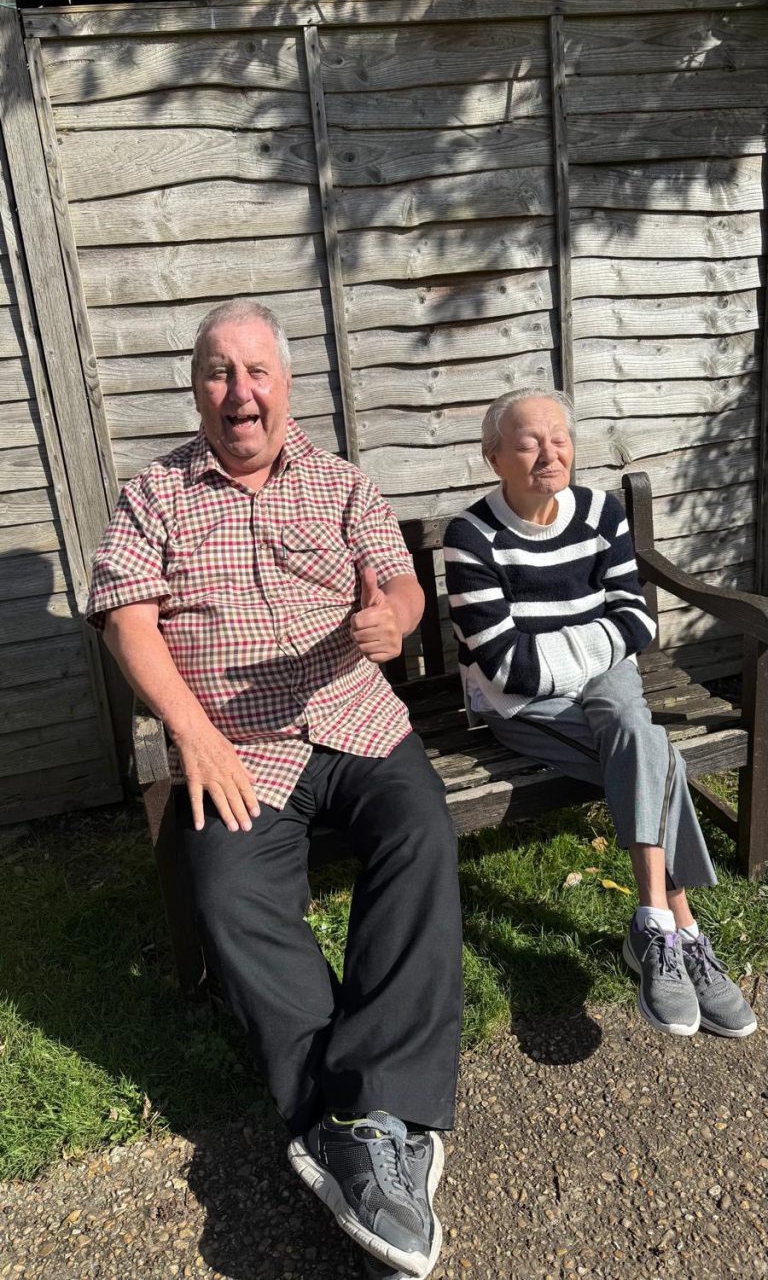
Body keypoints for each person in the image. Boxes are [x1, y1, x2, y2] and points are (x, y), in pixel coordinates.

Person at [86, 298, 463, 1278]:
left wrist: (395, 616)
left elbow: (399, 584)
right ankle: (361, 1128)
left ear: (286, 384)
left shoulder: (341, 484)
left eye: (256, 372)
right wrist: (194, 734)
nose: (240, 393)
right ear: (196, 388)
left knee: (421, 837)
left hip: (357, 723)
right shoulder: (154, 496)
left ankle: (365, 1113)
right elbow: (128, 615)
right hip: (238, 747)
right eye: (219, 372)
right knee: (229, 894)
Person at [443, 387, 756, 1041]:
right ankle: (686, 930)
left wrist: (569, 649)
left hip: (602, 690)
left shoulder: (599, 513)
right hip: (523, 708)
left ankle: (652, 923)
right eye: (527, 441)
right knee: (653, 751)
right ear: (493, 454)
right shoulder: (470, 536)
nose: (548, 452)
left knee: (623, 711)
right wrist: (595, 645)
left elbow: (637, 618)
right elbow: (508, 669)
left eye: (559, 438)